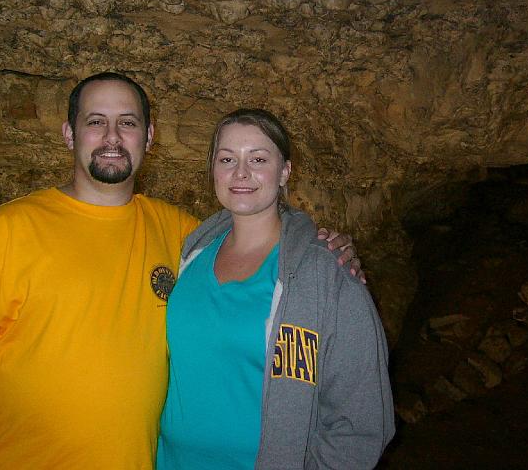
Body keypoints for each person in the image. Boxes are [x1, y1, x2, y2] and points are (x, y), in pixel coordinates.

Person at [0, 73, 362, 469]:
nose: (112, 138)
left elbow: (254, 241)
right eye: (95, 121)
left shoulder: (183, 236)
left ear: (149, 137)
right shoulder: (9, 229)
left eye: (128, 123)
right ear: (69, 134)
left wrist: (324, 250)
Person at [158, 109, 394, 470]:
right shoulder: (189, 257)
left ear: (284, 171)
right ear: (213, 170)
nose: (241, 173)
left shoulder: (324, 276)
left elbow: (360, 421)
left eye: (258, 159)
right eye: (227, 159)